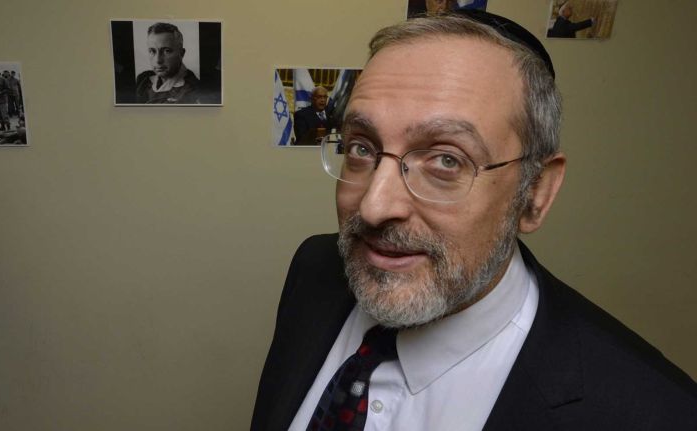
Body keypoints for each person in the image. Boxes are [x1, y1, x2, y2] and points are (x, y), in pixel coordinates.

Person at [251, 10, 696, 431]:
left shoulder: (656, 414)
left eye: (446, 159)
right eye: (361, 148)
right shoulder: (316, 268)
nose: (374, 206)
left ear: (536, 192)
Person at [135, 22, 201, 104]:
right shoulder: (143, 80)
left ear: (181, 53)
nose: (158, 60)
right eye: (152, 51)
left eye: (167, 51)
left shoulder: (193, 89)